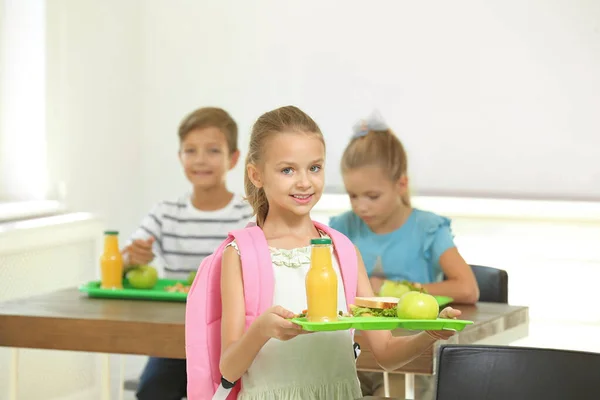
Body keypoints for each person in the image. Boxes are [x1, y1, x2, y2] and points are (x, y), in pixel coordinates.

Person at [219, 105, 460, 399]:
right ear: (256, 175)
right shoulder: (240, 255)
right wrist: (261, 330)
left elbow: (385, 352)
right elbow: (228, 369)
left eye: (315, 167)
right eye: (287, 170)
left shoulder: (343, 251)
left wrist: (431, 334)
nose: (305, 181)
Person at [329, 110, 479, 397]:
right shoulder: (341, 227)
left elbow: (467, 288)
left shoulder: (427, 228)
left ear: (401, 184)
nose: (361, 207)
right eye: (353, 196)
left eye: (372, 196)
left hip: (410, 359)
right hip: (354, 354)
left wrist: (392, 290)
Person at [123, 107, 253, 400]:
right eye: (190, 151)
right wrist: (132, 258)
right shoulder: (166, 213)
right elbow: (118, 263)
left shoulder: (248, 216)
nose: (200, 160)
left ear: (233, 158)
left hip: (230, 340)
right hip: (175, 339)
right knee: (151, 391)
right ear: (180, 157)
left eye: (213, 150)